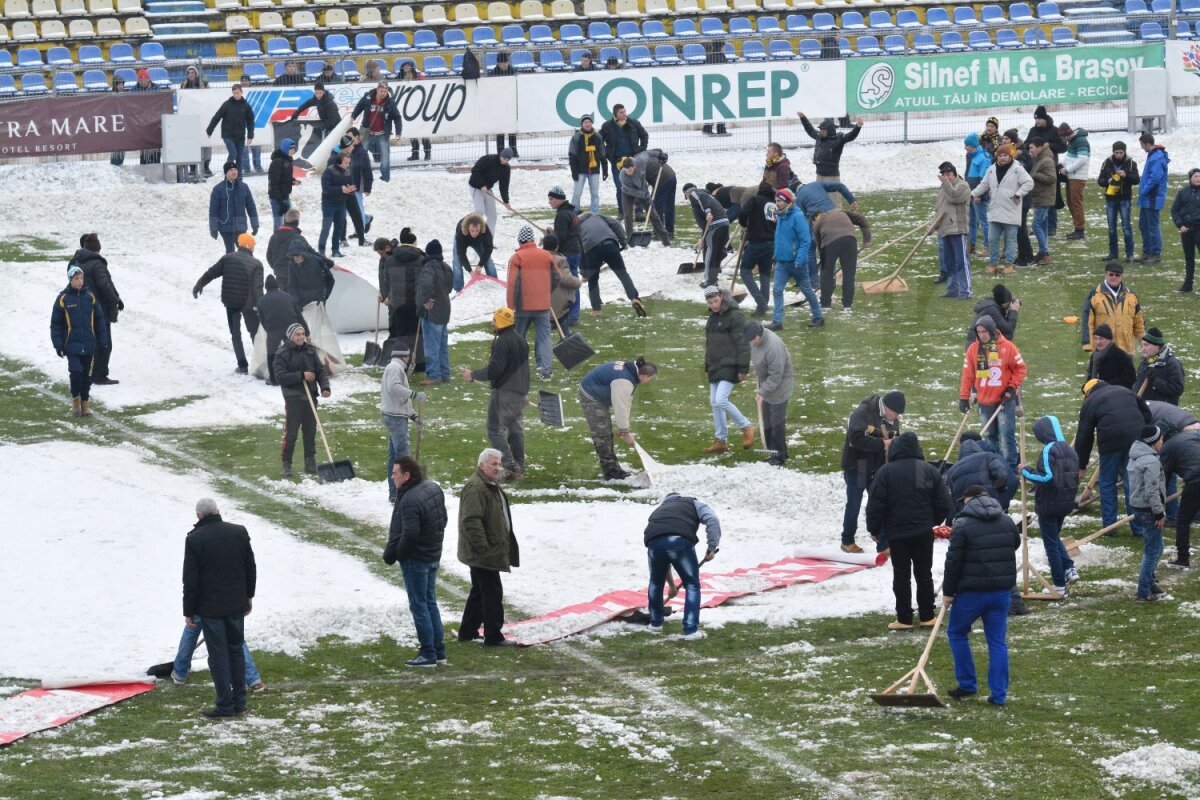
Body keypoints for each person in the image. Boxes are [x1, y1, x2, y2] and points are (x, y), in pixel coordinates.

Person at [942, 485, 1020, 705]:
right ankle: (999, 695)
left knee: (957, 633)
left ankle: (967, 684)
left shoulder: (963, 524)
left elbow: (954, 561)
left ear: (968, 499)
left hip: (972, 593)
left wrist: (948, 592)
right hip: (1001, 592)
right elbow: (1014, 544)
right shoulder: (1005, 520)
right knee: (997, 643)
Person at [866, 432, 952, 631]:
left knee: (901, 575)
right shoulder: (924, 470)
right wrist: (931, 521)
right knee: (924, 574)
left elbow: (876, 504)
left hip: (897, 533)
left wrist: (874, 528)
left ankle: (904, 618)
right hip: (922, 532)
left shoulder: (886, 472)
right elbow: (942, 503)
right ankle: (927, 616)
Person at [181, 498, 256, 719]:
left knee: (218, 656)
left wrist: (189, 610)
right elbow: (250, 566)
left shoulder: (195, 539)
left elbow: (191, 579)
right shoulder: (239, 532)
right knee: (236, 651)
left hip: (210, 608)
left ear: (199, 516)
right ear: (218, 511)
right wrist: (248, 596)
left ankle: (225, 705)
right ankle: (240, 703)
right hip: (235, 604)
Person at [383, 456, 449, 665]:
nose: (392, 477)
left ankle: (428, 653)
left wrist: (398, 554)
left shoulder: (410, 499)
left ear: (407, 475)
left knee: (419, 605)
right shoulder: (432, 488)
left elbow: (409, 534)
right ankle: (439, 651)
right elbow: (443, 519)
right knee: (430, 602)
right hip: (432, 555)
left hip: (417, 560)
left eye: (395, 473)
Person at [457, 448, 520, 646]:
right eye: (493, 464)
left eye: (499, 464)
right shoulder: (476, 487)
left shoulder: (488, 484)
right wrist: (483, 548)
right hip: (483, 553)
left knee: (480, 591)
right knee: (492, 593)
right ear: (481, 464)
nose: (497, 468)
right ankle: (493, 636)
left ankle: (467, 631)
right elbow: (471, 521)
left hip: (488, 550)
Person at [1076, 378, 1153, 539]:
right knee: (1131, 481)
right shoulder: (1124, 390)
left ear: (1088, 393)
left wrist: (1081, 465)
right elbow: (1147, 413)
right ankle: (1138, 527)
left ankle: (1110, 526)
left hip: (1110, 442)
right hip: (1135, 438)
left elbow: (1084, 436)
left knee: (1107, 482)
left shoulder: (1090, 402)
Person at [643, 493, 722, 640]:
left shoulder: (660, 509)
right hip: (679, 540)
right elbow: (712, 519)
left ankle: (655, 623)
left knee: (655, 583)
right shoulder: (693, 503)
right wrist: (712, 547)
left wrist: (671, 586)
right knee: (692, 584)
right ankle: (690, 630)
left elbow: (664, 557)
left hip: (653, 542)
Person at [463, 308, 530, 480]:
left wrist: (473, 375)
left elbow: (495, 370)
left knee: (494, 430)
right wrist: (524, 391)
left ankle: (510, 467)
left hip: (504, 393)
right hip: (518, 391)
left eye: (494, 319)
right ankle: (519, 467)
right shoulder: (521, 340)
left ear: (501, 321)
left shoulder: (502, 342)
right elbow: (525, 370)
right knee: (515, 430)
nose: (492, 323)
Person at [1020, 416, 1081, 597]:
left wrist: (1026, 471)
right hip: (1066, 501)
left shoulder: (1049, 450)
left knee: (1051, 545)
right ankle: (1069, 568)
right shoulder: (1070, 450)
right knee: (1055, 537)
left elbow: (1046, 478)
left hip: (1049, 503)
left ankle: (1058, 585)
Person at [840, 391, 905, 553]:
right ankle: (847, 541)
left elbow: (894, 440)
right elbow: (855, 439)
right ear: (887, 407)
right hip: (859, 465)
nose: (896, 417)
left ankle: (884, 544)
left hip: (878, 466)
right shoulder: (863, 413)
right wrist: (883, 444)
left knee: (881, 503)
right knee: (854, 504)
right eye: (895, 413)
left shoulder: (893, 419)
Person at [960, 315, 1027, 470]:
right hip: (985, 401)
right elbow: (968, 374)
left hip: (1005, 400)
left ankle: (1009, 467)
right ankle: (994, 466)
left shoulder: (1008, 347)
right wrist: (964, 396)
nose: (982, 335)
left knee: (1006, 436)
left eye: (984, 331)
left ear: (991, 330)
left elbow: (1020, 369)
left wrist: (1012, 387)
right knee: (989, 437)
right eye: (979, 332)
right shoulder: (973, 350)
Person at [192, 233, 264, 374]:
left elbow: (211, 272)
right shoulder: (256, 264)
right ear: (251, 247)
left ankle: (242, 365)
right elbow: (257, 288)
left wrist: (199, 284)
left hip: (231, 303)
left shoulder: (227, 258)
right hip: (248, 305)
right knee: (255, 334)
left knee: (235, 334)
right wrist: (261, 306)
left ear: (239, 244)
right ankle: (260, 364)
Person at [579, 358, 658, 480]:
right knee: (602, 434)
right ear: (644, 376)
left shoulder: (632, 372)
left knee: (605, 431)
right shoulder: (624, 381)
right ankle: (611, 473)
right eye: (650, 378)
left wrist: (624, 427)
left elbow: (626, 402)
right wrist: (625, 432)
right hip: (591, 396)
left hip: (598, 392)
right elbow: (620, 406)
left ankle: (613, 468)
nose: (650, 381)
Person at [274, 323, 331, 478]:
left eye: (302, 334)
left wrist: (325, 387)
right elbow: (280, 377)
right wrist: (301, 375)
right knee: (291, 433)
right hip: (293, 397)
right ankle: (287, 464)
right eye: (297, 334)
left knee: (310, 431)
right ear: (291, 336)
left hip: (310, 397)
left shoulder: (310, 351)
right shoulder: (282, 353)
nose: (300, 337)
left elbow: (319, 371)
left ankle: (310, 462)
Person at [51, 265, 108, 418]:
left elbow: (100, 320)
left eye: (81, 278)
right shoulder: (63, 298)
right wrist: (58, 344)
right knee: (76, 372)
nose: (80, 281)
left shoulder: (90, 297)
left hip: (89, 345)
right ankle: (75, 400)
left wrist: (103, 340)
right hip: (71, 346)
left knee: (87, 377)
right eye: (76, 279)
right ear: (70, 280)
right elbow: (55, 324)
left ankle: (85, 403)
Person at [701, 285, 753, 454]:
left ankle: (746, 427)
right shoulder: (712, 318)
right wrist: (707, 366)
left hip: (731, 364)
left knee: (721, 400)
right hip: (715, 364)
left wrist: (743, 367)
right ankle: (721, 440)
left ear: (722, 297)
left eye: (715, 300)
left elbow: (743, 343)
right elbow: (709, 343)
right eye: (710, 302)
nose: (714, 305)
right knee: (714, 403)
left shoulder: (735, 316)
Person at [69, 233, 122, 386]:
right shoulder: (97, 264)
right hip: (98, 309)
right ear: (97, 249)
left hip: (82, 307)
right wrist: (114, 301)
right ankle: (99, 375)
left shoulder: (77, 261)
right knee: (104, 343)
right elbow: (105, 285)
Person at [973, 144, 1032, 276]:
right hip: (995, 210)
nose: (1002, 158)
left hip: (1011, 210)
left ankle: (1009, 265)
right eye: (1000, 155)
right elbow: (984, 185)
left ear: (1010, 156)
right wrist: (972, 194)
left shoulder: (1018, 169)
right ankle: (993, 264)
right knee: (992, 239)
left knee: (1010, 240)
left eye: (1005, 155)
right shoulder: (992, 169)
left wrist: (1019, 193)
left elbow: (1029, 182)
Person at [767, 188, 820, 330]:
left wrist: (800, 259)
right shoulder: (780, 216)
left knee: (807, 290)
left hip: (797, 263)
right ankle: (777, 321)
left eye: (779, 200)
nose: (776, 203)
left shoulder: (798, 217)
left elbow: (806, 240)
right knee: (777, 290)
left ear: (787, 201)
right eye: (776, 200)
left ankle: (818, 316)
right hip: (782, 262)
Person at [506, 225, 556, 380]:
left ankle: (518, 371)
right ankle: (546, 371)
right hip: (543, 304)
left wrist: (510, 306)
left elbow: (512, 283)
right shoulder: (546, 255)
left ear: (520, 241)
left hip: (523, 306)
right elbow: (558, 276)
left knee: (519, 338)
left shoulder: (517, 257)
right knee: (544, 338)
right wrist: (546, 291)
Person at [743, 321, 794, 466]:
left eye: (752, 340)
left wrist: (762, 392)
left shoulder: (773, 347)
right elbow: (759, 358)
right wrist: (758, 371)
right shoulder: (755, 340)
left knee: (776, 423)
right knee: (767, 421)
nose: (751, 343)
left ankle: (779, 456)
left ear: (758, 336)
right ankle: (775, 451)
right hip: (766, 383)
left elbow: (776, 376)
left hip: (780, 386)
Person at [1128, 425, 1169, 600]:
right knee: (1152, 551)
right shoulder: (1151, 462)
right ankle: (1144, 591)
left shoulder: (1135, 456)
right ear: (1152, 443)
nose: (1162, 443)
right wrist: (1159, 513)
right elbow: (1152, 490)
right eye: (1160, 440)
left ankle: (1151, 582)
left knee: (1158, 548)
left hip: (1138, 507)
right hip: (1150, 510)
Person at [169, 618, 264, 693]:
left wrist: (189, 611)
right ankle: (254, 681)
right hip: (227, 601)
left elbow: (191, 592)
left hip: (203, 600)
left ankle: (180, 672)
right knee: (234, 635)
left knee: (192, 627)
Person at [381, 346, 426, 501]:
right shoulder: (395, 368)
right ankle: (403, 492)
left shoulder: (395, 367)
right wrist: (414, 394)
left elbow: (401, 399)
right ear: (405, 357)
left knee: (394, 457)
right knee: (403, 458)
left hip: (395, 416)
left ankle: (395, 493)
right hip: (395, 418)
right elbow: (394, 389)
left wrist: (413, 416)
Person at [577, 211, 644, 317]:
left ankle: (596, 310)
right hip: (610, 244)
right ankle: (634, 298)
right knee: (623, 274)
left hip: (591, 250)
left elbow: (580, 251)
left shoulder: (577, 227)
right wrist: (623, 242)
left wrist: (585, 274)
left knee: (593, 281)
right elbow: (616, 225)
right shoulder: (599, 216)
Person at [812, 206, 870, 311]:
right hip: (850, 240)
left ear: (815, 218)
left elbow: (821, 247)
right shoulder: (840, 211)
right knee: (849, 274)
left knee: (826, 274)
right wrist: (867, 239)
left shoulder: (816, 223)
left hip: (830, 243)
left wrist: (826, 267)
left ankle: (825, 305)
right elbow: (861, 219)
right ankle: (847, 306)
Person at [1159, 422, 1200, 569]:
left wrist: (1158, 503)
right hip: (1195, 479)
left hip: (1195, 481)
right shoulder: (1191, 435)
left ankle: (1183, 558)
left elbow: (1163, 478)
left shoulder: (1168, 447)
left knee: (1183, 521)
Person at [1080, 262, 1145, 354]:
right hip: (1103, 350)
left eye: (1117, 275)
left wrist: (1144, 341)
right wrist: (1087, 343)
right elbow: (1087, 321)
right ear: (1105, 275)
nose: (1114, 277)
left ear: (1121, 276)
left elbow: (1139, 322)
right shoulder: (1094, 295)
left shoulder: (1131, 296)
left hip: (1126, 350)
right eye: (1111, 274)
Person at [255, 274, 305, 385]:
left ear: (266, 287)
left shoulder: (261, 301)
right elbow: (298, 314)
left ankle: (274, 379)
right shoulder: (288, 296)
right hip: (290, 328)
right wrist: (306, 330)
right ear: (277, 285)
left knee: (271, 354)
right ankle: (297, 374)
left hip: (273, 330)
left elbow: (262, 321)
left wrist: (269, 331)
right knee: (294, 351)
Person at [737, 182, 777, 318]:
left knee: (745, 272)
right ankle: (762, 306)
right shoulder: (773, 204)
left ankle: (761, 302)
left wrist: (744, 223)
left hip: (756, 242)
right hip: (771, 242)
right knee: (765, 273)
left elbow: (743, 213)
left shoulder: (754, 200)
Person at [416, 240, 453, 385]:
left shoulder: (428, 268)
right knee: (443, 346)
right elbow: (450, 287)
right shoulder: (446, 267)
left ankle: (434, 375)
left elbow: (426, 285)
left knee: (431, 345)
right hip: (444, 309)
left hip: (432, 311)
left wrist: (425, 300)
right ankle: (445, 374)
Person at [599, 104, 647, 214]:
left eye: (625, 111)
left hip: (633, 160)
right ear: (615, 113)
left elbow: (644, 135)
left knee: (637, 185)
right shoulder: (607, 126)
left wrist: (641, 150)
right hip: (617, 162)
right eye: (621, 112)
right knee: (620, 187)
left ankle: (639, 212)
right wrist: (607, 152)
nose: (624, 114)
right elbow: (599, 139)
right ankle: (622, 212)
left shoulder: (633, 123)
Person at [946, 432, 1009, 516]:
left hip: (967, 510)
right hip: (990, 502)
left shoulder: (952, 470)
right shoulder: (987, 456)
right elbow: (1001, 475)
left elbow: (953, 498)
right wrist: (1000, 490)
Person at [376, 228, 424, 340]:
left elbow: (389, 280)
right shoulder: (421, 258)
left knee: (397, 334)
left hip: (396, 303)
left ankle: (396, 354)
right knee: (414, 337)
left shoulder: (391, 259)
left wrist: (388, 295)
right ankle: (413, 355)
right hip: (414, 303)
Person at [1098, 141, 1140, 265]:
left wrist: (1126, 175)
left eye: (1121, 152)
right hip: (1111, 199)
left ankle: (1129, 254)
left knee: (1126, 227)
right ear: (1113, 152)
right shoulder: (1107, 163)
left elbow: (1136, 180)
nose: (1119, 155)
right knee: (1111, 228)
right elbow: (1100, 181)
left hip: (1124, 199)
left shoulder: (1131, 164)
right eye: (1116, 152)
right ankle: (1113, 253)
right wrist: (1107, 180)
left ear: (1125, 151)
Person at [934, 162, 972, 300]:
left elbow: (955, 197)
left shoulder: (963, 186)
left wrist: (946, 184)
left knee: (962, 262)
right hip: (945, 230)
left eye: (949, 174)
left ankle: (965, 291)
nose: (946, 177)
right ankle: (952, 289)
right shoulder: (944, 189)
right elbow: (939, 210)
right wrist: (933, 225)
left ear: (955, 174)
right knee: (949, 263)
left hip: (958, 229)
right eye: (944, 175)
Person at [797, 113, 863, 192]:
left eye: (824, 130)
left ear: (830, 130)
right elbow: (810, 129)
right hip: (819, 174)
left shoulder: (839, 139)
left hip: (831, 176)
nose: (821, 131)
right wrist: (803, 118)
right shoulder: (819, 137)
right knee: (821, 199)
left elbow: (851, 136)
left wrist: (857, 127)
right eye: (821, 129)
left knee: (833, 200)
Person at [351, 81, 401, 179]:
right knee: (359, 153)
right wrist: (353, 117)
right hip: (365, 131)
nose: (383, 93)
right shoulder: (368, 97)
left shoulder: (390, 102)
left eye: (385, 91)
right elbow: (359, 107)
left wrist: (398, 132)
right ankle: (358, 174)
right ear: (377, 89)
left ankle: (385, 176)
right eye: (381, 91)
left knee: (385, 157)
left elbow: (397, 117)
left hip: (382, 133)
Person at [209, 161, 259, 255]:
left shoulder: (244, 187)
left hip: (240, 226)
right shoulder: (218, 189)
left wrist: (255, 224)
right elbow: (213, 211)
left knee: (245, 252)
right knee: (230, 252)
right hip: (225, 227)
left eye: (235, 169)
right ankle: (230, 269)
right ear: (226, 173)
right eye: (231, 170)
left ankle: (245, 269)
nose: (234, 172)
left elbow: (251, 207)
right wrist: (213, 228)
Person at [618, 156, 670, 246]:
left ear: (634, 166)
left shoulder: (641, 161)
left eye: (630, 170)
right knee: (628, 215)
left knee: (653, 214)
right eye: (626, 170)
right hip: (627, 193)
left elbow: (649, 154)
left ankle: (665, 240)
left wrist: (660, 154)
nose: (628, 173)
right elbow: (630, 190)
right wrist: (644, 195)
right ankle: (630, 239)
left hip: (642, 190)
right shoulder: (622, 175)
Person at [206, 83, 255, 175]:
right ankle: (227, 173)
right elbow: (217, 117)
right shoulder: (227, 104)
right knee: (233, 154)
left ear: (241, 92)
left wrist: (250, 136)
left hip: (240, 136)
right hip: (228, 135)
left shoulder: (246, 106)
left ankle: (239, 178)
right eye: (234, 93)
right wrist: (210, 130)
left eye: (237, 92)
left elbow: (250, 121)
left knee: (239, 157)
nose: (236, 95)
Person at [1137, 132, 1170, 264]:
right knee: (1143, 225)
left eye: (1142, 145)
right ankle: (1147, 252)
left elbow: (1155, 179)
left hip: (1152, 198)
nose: (1141, 148)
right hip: (1146, 198)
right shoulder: (1153, 156)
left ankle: (1155, 254)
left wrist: (1144, 191)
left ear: (1148, 144)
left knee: (1153, 226)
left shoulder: (1157, 158)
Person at [289, 83, 342, 161]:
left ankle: (336, 161)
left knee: (333, 146)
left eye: (320, 93)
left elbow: (332, 120)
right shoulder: (316, 99)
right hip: (327, 126)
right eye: (316, 93)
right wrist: (297, 111)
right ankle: (329, 161)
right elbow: (307, 104)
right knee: (327, 147)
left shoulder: (330, 103)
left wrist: (321, 127)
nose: (318, 95)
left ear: (324, 92)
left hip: (335, 126)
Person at [317, 150, 354, 257]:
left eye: (349, 163)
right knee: (326, 228)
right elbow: (326, 188)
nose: (348, 165)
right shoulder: (329, 171)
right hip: (328, 205)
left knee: (339, 228)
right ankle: (321, 250)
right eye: (346, 162)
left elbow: (350, 185)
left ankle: (335, 250)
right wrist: (341, 189)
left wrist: (351, 190)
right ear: (339, 161)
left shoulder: (347, 172)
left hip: (341, 204)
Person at [545, 233, 583, 336]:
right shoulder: (560, 260)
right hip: (556, 305)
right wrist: (578, 282)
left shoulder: (538, 258)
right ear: (557, 246)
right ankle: (566, 336)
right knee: (564, 311)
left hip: (540, 303)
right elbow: (566, 279)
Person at [468, 149, 513, 235]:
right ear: (500, 155)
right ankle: (468, 227)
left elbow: (504, 186)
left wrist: (506, 201)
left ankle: (489, 240)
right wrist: (481, 185)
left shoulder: (506, 169)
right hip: (475, 186)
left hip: (487, 189)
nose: (504, 161)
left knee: (492, 216)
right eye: (503, 158)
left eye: (506, 160)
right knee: (480, 211)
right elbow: (475, 171)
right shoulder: (488, 159)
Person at [1027, 137, 1057, 266]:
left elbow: (1051, 178)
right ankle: (1043, 252)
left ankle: (1045, 253)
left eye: (1032, 148)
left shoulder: (1047, 160)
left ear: (1039, 148)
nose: (1030, 151)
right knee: (1042, 226)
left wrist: (1035, 175)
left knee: (1036, 225)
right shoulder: (1039, 159)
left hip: (1044, 198)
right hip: (1039, 197)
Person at [568, 114, 606, 215]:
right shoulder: (576, 137)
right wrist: (574, 171)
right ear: (582, 124)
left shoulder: (598, 136)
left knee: (595, 193)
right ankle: (575, 211)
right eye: (585, 122)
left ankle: (595, 212)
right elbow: (572, 155)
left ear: (591, 123)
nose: (587, 124)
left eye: (589, 122)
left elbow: (602, 153)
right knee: (577, 193)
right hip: (580, 170)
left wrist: (605, 169)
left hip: (594, 170)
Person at [1136, 328, 1185, 405]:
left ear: (1157, 346)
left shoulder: (1172, 364)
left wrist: (1155, 381)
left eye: (1146, 345)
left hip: (1162, 411)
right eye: (1142, 345)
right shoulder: (1145, 361)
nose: (1143, 348)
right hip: (1144, 408)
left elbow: (1177, 389)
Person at [1059, 122, 1090, 240]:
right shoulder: (1073, 141)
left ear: (1067, 134)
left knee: (1076, 203)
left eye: (1063, 138)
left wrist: (1067, 169)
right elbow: (1071, 157)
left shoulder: (1081, 141)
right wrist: (1063, 166)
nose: (1063, 140)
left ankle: (1080, 230)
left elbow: (1082, 159)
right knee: (1071, 202)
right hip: (1072, 176)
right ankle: (1077, 228)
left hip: (1078, 176)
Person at [963, 133, 993, 256]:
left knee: (983, 221)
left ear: (974, 145)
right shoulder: (971, 156)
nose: (965, 148)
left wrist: (979, 195)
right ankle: (971, 245)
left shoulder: (983, 158)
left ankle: (988, 247)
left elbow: (984, 179)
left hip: (979, 195)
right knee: (972, 221)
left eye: (967, 145)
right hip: (971, 193)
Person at [397, 61, 433, 163]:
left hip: (420, 107)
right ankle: (415, 154)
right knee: (413, 133)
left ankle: (427, 153)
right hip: (408, 109)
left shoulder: (419, 76)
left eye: (408, 66)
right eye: (404, 66)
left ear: (412, 67)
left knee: (424, 131)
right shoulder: (399, 77)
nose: (406, 68)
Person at [452, 213, 498, 292]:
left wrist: (480, 265)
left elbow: (489, 248)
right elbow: (461, 254)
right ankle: (458, 289)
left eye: (477, 230)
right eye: (472, 230)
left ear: (481, 227)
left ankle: (495, 283)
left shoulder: (485, 229)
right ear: (467, 228)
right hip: (463, 240)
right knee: (456, 261)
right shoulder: (461, 231)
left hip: (478, 242)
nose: (474, 233)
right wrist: (470, 271)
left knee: (488, 261)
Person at [1171, 168, 1200, 291]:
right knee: (1189, 258)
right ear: (1190, 178)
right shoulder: (1183, 192)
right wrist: (1180, 225)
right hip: (1186, 230)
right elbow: (1175, 210)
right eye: (1196, 176)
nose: (1198, 179)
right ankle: (1188, 285)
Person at [285, 236, 335, 308]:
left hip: (318, 301)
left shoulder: (317, 261)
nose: (296, 258)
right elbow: (291, 285)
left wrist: (325, 295)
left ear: (303, 254)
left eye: (298, 255)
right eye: (294, 256)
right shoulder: (291, 264)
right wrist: (296, 300)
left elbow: (330, 279)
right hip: (302, 303)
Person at [345, 128, 374, 246]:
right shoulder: (346, 149)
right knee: (347, 210)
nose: (348, 139)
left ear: (357, 138)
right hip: (347, 185)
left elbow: (367, 170)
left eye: (350, 137)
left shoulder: (362, 152)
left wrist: (367, 188)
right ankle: (367, 218)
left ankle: (360, 232)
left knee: (357, 210)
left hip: (356, 186)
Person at [1086, 323, 1136, 389]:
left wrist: (1105, 385)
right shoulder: (1094, 356)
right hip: (1096, 394)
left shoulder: (1122, 356)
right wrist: (1086, 387)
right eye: (1096, 338)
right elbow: (1090, 376)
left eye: (1101, 339)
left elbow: (1130, 379)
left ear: (1109, 340)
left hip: (1116, 395)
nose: (1098, 342)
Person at [490, 53, 519, 158]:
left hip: (511, 104)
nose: (505, 64)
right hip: (499, 105)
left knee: (512, 129)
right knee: (500, 129)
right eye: (502, 63)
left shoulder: (513, 72)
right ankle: (500, 151)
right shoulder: (493, 74)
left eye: (506, 62)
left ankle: (513, 150)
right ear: (498, 63)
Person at [266, 138, 299, 231]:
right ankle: (276, 244)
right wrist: (280, 203)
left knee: (290, 222)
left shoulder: (288, 159)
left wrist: (293, 181)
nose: (293, 151)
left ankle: (286, 242)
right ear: (285, 149)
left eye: (294, 148)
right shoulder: (277, 162)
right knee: (278, 226)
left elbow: (284, 177)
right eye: (291, 149)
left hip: (285, 196)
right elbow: (273, 184)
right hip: (277, 198)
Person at [644, 148, 676, 237]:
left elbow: (643, 188)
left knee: (656, 206)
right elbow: (658, 150)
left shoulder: (636, 166)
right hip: (671, 176)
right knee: (669, 206)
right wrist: (662, 155)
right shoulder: (644, 154)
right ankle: (670, 231)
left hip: (662, 178)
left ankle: (659, 232)